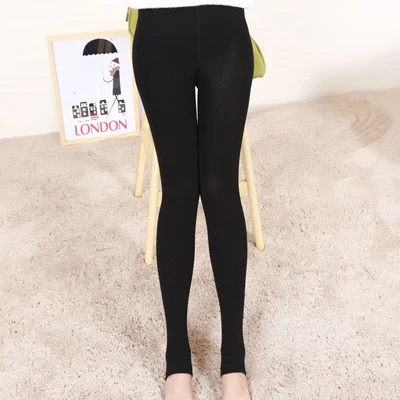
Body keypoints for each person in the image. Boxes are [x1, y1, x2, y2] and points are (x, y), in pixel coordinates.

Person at [128, 1, 254, 399]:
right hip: (157, 26)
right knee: (180, 189)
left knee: (220, 186)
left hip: (225, 23)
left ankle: (233, 359)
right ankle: (177, 360)